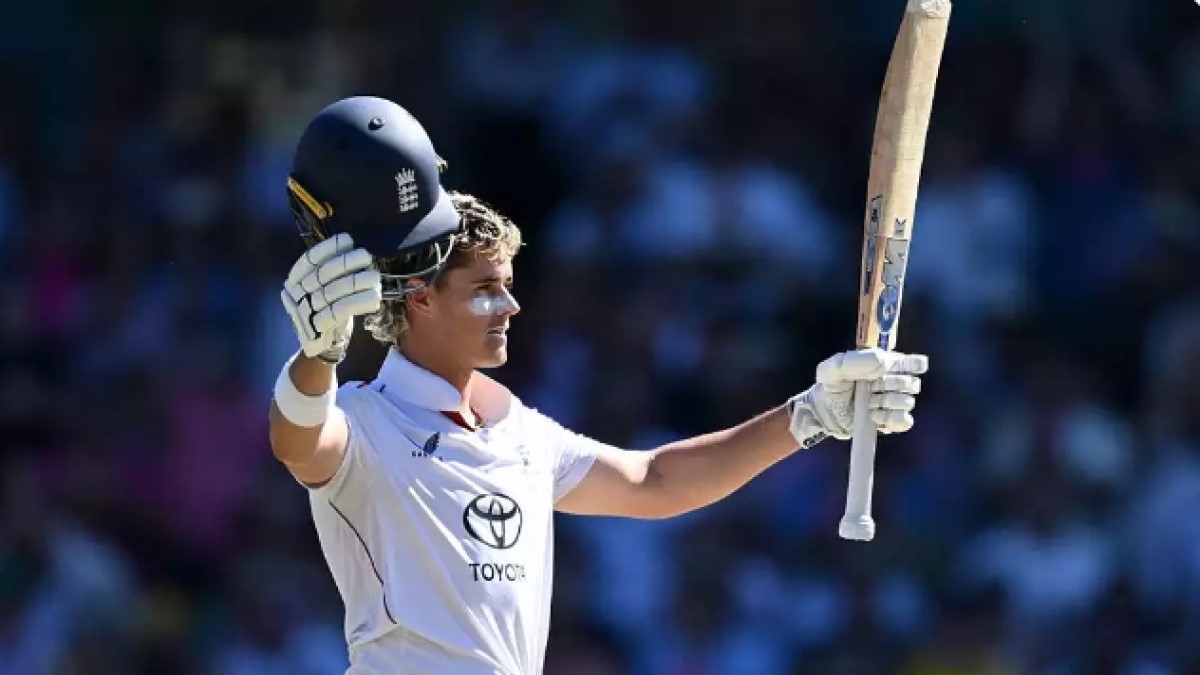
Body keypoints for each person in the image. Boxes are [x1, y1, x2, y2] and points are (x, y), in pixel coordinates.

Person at [269, 95, 929, 674]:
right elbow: (298, 442)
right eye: (485, 289)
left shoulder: (519, 432)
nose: (510, 307)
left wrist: (811, 414)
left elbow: (654, 481)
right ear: (420, 297)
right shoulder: (364, 419)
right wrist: (319, 356)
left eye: (508, 286)